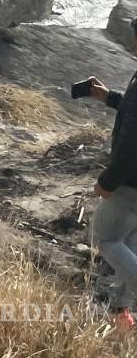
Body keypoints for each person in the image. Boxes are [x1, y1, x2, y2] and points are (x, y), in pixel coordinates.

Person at [86, 17, 137, 331]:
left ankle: (121, 309)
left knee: (104, 238)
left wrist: (107, 182)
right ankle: (121, 313)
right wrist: (109, 97)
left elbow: (133, 145)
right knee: (129, 243)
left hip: (130, 183)